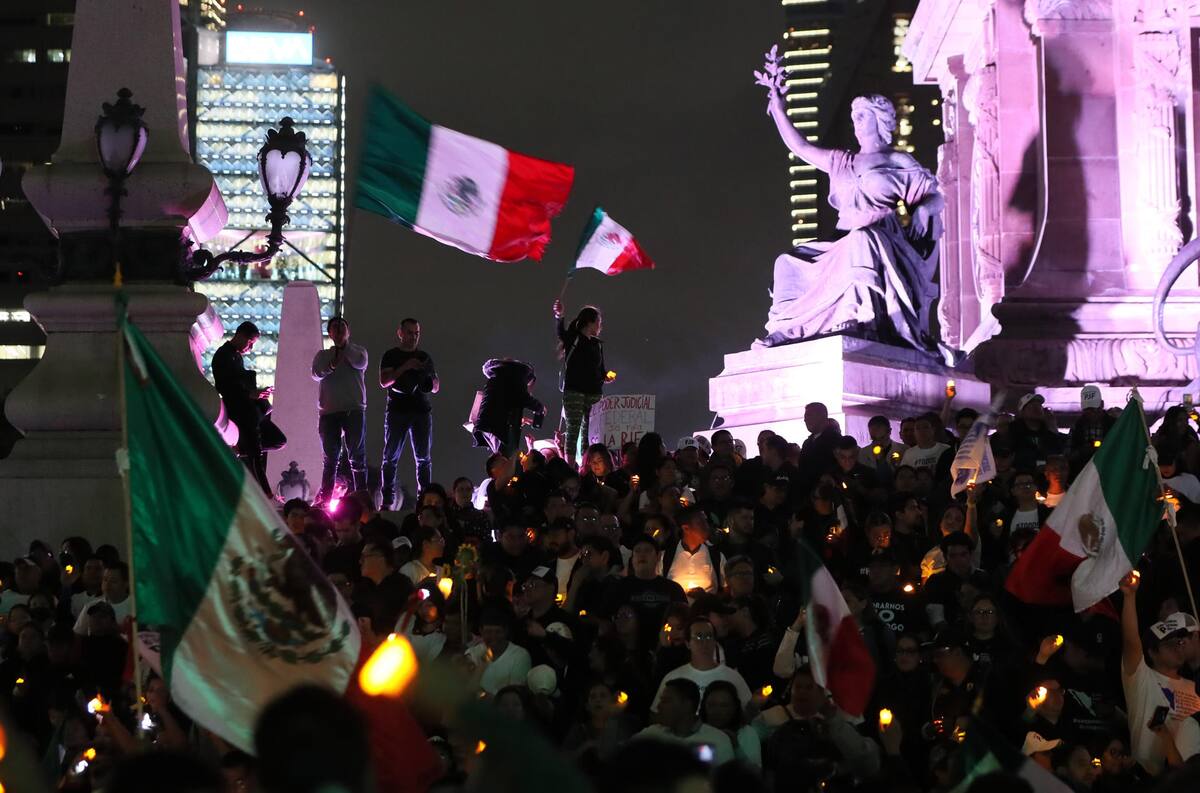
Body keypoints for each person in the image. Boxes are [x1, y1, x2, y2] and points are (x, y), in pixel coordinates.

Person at [755, 50, 943, 353]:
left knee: (862, 240)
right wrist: (778, 108)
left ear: (878, 119)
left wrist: (923, 208)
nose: (854, 122)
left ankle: (862, 320)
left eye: (861, 116)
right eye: (853, 116)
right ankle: (787, 328)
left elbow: (937, 195)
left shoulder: (896, 160)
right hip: (840, 239)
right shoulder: (841, 160)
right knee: (787, 262)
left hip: (881, 240)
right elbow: (799, 146)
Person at [1119, 572, 1200, 775]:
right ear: (1152, 652)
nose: (1177, 646)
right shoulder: (1141, 679)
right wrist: (1129, 597)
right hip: (1152, 778)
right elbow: (1131, 640)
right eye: (1169, 643)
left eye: (1180, 640)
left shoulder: (1196, 685)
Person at [379, 317, 438, 510]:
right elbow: (384, 381)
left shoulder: (425, 356)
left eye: (417, 333)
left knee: (424, 458)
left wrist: (426, 374)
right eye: (410, 332)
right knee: (390, 457)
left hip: (421, 411)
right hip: (397, 410)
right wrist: (406, 367)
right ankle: (387, 500)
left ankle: (425, 501)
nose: (414, 337)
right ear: (400, 333)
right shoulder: (391, 355)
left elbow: (435, 387)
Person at [212, 321, 276, 494]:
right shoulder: (224, 356)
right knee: (257, 451)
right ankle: (266, 491)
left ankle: (243, 449)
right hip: (239, 409)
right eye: (250, 342)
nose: (250, 347)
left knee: (275, 441)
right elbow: (226, 386)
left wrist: (254, 393)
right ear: (240, 335)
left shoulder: (234, 356)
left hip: (246, 407)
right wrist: (250, 394)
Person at [310, 316, 368, 504]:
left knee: (357, 455)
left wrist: (345, 348)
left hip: (354, 410)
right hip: (329, 413)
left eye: (343, 326)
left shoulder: (359, 351)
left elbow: (360, 363)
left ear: (349, 331)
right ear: (330, 333)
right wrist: (331, 364)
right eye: (335, 326)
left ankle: (361, 497)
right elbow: (316, 373)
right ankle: (326, 500)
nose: (339, 329)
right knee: (330, 457)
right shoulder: (322, 355)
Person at [552, 300, 613, 465]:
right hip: (574, 391)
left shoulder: (597, 345)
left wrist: (606, 377)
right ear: (590, 322)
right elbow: (561, 333)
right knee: (573, 429)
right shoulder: (574, 338)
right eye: (598, 322)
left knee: (590, 431)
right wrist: (559, 315)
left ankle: (585, 468)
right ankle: (570, 468)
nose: (600, 326)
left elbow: (601, 370)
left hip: (594, 393)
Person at [634, 678, 735, 766]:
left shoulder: (717, 740)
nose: (659, 706)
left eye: (666, 701)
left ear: (687, 705)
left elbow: (725, 783)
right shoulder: (651, 735)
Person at [471, 358, 545, 457]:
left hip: (486, 425)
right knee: (505, 460)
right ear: (528, 378)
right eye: (528, 385)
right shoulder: (517, 376)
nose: (528, 389)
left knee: (500, 459)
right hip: (496, 427)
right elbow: (523, 397)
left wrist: (518, 420)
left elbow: (504, 402)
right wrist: (540, 408)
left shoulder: (498, 377)